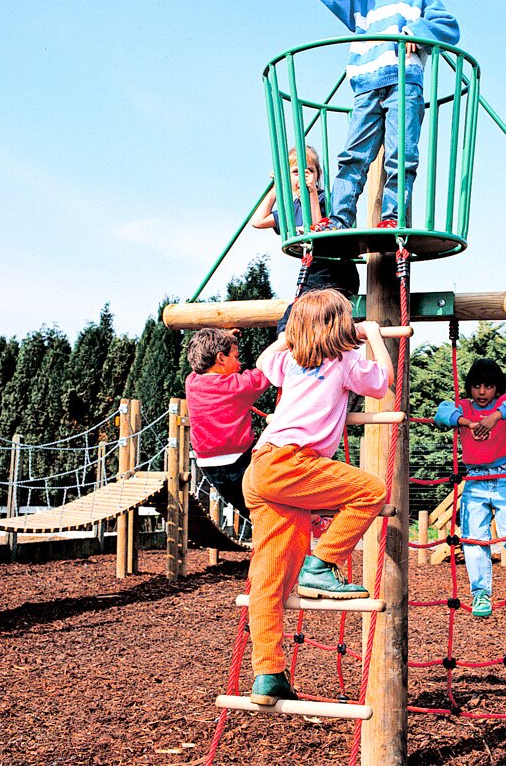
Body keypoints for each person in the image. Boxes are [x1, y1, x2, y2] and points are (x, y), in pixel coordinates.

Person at [243, 289, 393, 705]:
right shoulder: (346, 359)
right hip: (291, 464)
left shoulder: (289, 359)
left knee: (269, 580)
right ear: (340, 326)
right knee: (371, 490)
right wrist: (374, 335)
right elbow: (383, 384)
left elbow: (262, 360)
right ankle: (322, 564)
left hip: (262, 467)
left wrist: (292, 336)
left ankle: (267, 674)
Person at [316, 0, 459, 231]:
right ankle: (339, 220)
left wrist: (417, 30)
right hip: (366, 85)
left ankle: (391, 217)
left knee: (400, 154)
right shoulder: (362, 4)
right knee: (352, 156)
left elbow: (449, 28)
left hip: (403, 84)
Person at [434, 358, 506, 616]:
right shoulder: (463, 407)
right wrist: (467, 423)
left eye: (488, 386)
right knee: (474, 539)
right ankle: (480, 595)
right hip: (474, 481)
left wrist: (496, 417)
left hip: (503, 479)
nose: (481, 392)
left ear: (497, 389)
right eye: (476, 386)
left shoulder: (505, 403)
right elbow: (441, 413)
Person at [252, 144, 359, 334]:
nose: (303, 175)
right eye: (295, 172)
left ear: (318, 175)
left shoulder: (328, 200)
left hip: (335, 272)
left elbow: (319, 230)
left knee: (305, 322)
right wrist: (278, 187)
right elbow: (258, 221)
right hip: (314, 274)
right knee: (289, 324)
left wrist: (311, 194)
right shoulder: (293, 209)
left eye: (310, 170)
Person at [184, 328, 269, 522]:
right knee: (270, 507)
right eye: (236, 357)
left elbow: (200, 362)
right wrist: (288, 340)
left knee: (254, 514)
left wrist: (221, 338)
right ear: (221, 358)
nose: (239, 364)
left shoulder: (192, 383)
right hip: (239, 461)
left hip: (207, 464)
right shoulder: (239, 386)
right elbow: (268, 367)